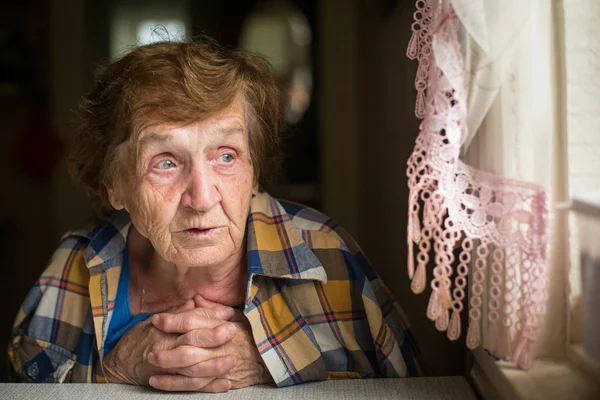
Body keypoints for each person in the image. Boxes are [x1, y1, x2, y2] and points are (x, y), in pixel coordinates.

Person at [7, 37, 422, 392]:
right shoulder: (75, 266)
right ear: (114, 184)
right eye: (166, 162)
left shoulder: (328, 256)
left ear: (255, 170)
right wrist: (113, 369)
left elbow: (417, 390)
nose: (202, 198)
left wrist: (274, 363)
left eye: (226, 156)